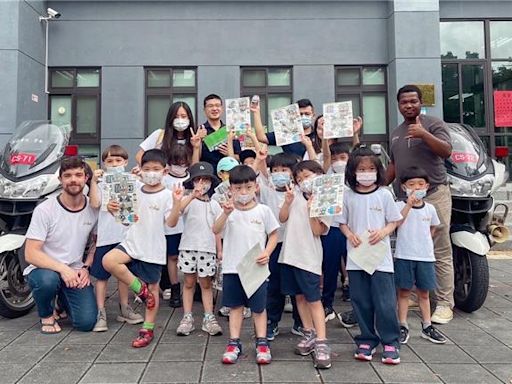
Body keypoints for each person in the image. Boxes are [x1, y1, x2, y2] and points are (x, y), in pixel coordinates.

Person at [386, 84, 453, 324]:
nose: (409, 106)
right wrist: (378, 185)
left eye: (413, 101)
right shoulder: (396, 132)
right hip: (405, 200)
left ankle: (445, 302)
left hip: (433, 194)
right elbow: (394, 165)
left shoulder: (433, 124)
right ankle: (413, 294)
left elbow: (446, 151)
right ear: (399, 105)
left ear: (420, 102)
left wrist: (424, 134)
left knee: (439, 246)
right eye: (404, 102)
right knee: (409, 246)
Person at [102, 149, 174, 348]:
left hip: (153, 247)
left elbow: (172, 223)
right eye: (147, 168)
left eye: (156, 169)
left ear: (164, 171)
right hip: (131, 242)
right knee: (109, 260)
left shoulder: (168, 195)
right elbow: (126, 222)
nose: (151, 173)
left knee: (154, 288)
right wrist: (112, 209)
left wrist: (178, 205)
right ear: (140, 170)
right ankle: (140, 290)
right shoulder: (132, 189)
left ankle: (147, 328)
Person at [338, 146, 402, 365]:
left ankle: (391, 341)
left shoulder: (384, 194)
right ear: (353, 171)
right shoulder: (348, 195)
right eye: (361, 169)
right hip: (356, 258)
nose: (366, 173)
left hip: (380, 259)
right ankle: (366, 339)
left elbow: (394, 221)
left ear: (378, 170)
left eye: (370, 168)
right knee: (361, 301)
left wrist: (383, 232)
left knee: (384, 302)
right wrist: (350, 234)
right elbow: (343, 223)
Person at [212, 165, 279, 364]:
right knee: (235, 306)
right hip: (233, 267)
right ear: (230, 189)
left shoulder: (264, 211)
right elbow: (215, 229)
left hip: (256, 268)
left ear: (256, 187)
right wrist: (225, 213)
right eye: (238, 188)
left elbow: (274, 234)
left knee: (259, 308)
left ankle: (262, 342)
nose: (243, 193)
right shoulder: (227, 210)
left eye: (248, 188)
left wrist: (267, 252)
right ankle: (234, 342)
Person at [24, 156, 98, 334]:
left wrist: (86, 267)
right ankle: (47, 314)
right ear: (60, 179)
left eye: (79, 175)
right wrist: (63, 269)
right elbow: (31, 254)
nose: (73, 179)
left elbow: (96, 244)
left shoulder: (93, 208)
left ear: (86, 178)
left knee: (86, 323)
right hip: (44, 269)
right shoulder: (45, 209)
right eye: (68, 175)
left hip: (75, 271)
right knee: (47, 281)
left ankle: (61, 303)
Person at [279, 160, 332, 369]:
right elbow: (282, 219)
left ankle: (321, 341)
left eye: (307, 176)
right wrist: (287, 201)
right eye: (299, 179)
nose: (303, 182)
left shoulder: (324, 200)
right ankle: (309, 332)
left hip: (308, 257)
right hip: (289, 255)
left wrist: (313, 210)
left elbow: (318, 230)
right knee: (298, 297)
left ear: (319, 175)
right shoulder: (293, 196)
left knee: (313, 299)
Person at [88, 145, 144, 331]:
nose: (114, 164)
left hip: (125, 236)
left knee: (122, 274)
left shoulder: (132, 180)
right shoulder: (101, 183)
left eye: (118, 160)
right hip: (106, 236)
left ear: (126, 162)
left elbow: (144, 195)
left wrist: (141, 175)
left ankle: (125, 308)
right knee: (101, 277)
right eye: (110, 161)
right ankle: (101, 312)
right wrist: (94, 182)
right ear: (103, 164)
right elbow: (95, 203)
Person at [251, 150, 303, 340]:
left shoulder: (299, 192)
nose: (279, 173)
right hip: (274, 246)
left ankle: (300, 322)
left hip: (295, 246)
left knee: (298, 286)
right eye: (275, 170)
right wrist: (260, 159)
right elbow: (253, 176)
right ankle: (272, 322)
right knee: (273, 286)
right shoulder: (267, 190)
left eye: (284, 169)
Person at [167, 161, 223, 337]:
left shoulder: (214, 204)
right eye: (198, 180)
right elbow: (174, 216)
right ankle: (187, 317)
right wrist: (190, 196)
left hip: (207, 249)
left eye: (205, 180)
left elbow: (217, 230)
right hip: (188, 247)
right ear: (192, 182)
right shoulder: (187, 200)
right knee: (189, 283)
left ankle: (208, 317)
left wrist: (219, 250)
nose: (201, 184)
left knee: (206, 284)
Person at [395, 166, 446, 345]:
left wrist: (424, 244)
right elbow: (396, 223)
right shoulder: (399, 206)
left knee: (424, 293)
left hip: (425, 257)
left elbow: (433, 228)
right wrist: (408, 205)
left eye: (420, 184)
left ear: (427, 186)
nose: (417, 187)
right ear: (404, 187)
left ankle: (427, 325)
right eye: (412, 184)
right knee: (404, 293)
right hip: (404, 255)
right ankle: (402, 324)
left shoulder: (430, 208)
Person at [161, 143, 192, 308]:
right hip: (171, 226)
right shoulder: (165, 179)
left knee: (190, 256)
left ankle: (194, 288)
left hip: (190, 225)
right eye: (176, 163)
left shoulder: (192, 178)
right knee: (172, 257)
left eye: (183, 163)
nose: (179, 167)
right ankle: (174, 287)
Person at [135, 101, 202, 166]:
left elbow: (195, 167)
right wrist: (152, 170)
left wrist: (196, 147)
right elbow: (139, 156)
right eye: (176, 117)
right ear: (171, 118)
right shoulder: (160, 134)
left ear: (189, 118)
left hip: (186, 177)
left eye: (183, 116)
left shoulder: (194, 138)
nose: (180, 120)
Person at [200, 94, 242, 169]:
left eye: (217, 105)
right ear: (204, 110)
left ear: (222, 108)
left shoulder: (231, 130)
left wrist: (229, 153)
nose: (214, 108)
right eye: (210, 106)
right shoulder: (200, 131)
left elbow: (239, 158)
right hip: (208, 175)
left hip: (229, 175)